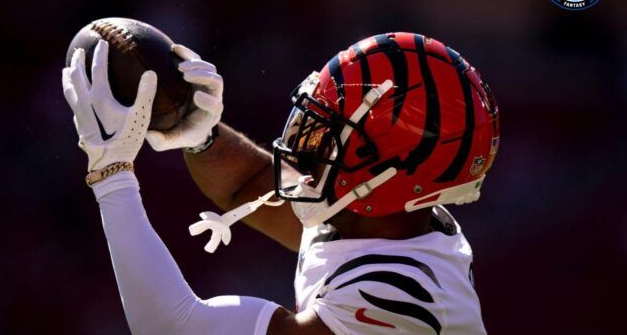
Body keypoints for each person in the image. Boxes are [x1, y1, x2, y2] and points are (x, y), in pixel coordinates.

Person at [62, 32, 499, 334]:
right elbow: (247, 184)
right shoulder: (380, 220)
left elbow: (171, 326)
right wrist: (201, 135)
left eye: (329, 131)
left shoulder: (404, 297)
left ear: (383, 172)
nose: (306, 138)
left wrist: (111, 175)